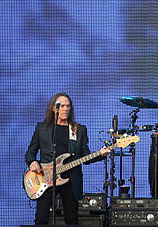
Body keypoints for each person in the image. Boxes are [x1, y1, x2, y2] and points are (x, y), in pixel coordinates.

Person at [25, 92, 110, 225]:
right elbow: (30, 152)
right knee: (41, 218)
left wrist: (100, 154)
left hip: (70, 179)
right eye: (62, 106)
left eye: (68, 106)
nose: (65, 109)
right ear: (54, 108)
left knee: (71, 219)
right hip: (45, 178)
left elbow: (85, 157)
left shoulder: (78, 130)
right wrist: (32, 162)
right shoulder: (42, 128)